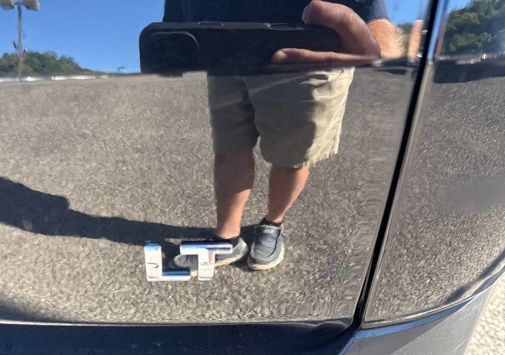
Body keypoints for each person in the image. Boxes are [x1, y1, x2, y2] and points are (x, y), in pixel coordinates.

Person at [167, 0, 399, 272]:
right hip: (223, 56)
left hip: (302, 59)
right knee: (229, 148)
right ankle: (226, 238)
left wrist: (379, 46)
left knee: (292, 158)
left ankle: (273, 223)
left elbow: (373, 15)